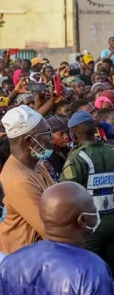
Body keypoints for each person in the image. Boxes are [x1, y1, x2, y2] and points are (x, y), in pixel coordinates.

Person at [60, 111, 114, 292]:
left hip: (90, 223)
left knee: (90, 273)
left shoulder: (77, 157)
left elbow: (65, 190)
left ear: (73, 134)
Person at [0, 106, 54, 254]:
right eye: (47, 133)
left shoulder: (37, 165)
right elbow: (51, 231)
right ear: (29, 141)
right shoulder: (19, 180)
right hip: (23, 264)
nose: (52, 138)